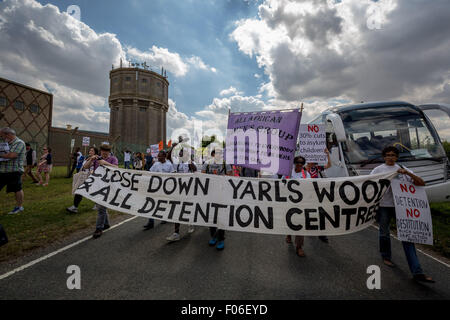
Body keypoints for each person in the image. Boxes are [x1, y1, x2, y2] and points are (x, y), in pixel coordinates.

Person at [371, 146, 434, 283]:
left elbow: (421, 183)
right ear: (384, 157)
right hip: (384, 207)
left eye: (393, 155)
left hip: (403, 208)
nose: (390, 157)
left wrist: (408, 174)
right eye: (387, 155)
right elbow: (370, 186)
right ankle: (386, 256)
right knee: (384, 232)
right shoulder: (378, 170)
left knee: (408, 236)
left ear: (397, 157)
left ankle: (417, 271)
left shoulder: (403, 169)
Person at [84, 144, 118, 239]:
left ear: (109, 152)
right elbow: (85, 167)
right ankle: (106, 224)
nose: (104, 154)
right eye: (103, 152)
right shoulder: (96, 158)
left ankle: (99, 228)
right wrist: (91, 159)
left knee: (101, 208)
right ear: (100, 151)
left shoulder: (113, 159)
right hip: (97, 185)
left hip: (107, 186)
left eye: (106, 153)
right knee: (101, 207)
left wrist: (105, 162)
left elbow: (116, 168)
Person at [202, 148, 232, 250]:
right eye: (216, 153)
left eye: (220, 153)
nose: (218, 155)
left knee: (221, 217)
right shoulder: (207, 163)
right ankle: (213, 236)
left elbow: (230, 177)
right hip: (210, 194)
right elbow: (202, 176)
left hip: (222, 195)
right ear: (213, 154)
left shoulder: (225, 164)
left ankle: (221, 239)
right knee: (211, 217)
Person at [166, 146, 197, 242]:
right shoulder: (176, 164)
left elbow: (195, 171)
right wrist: (173, 147)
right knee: (177, 210)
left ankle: (191, 221)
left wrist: (189, 161)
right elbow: (168, 158)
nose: (180, 155)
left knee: (188, 208)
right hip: (179, 190)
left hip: (189, 191)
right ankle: (176, 233)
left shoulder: (191, 163)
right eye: (179, 153)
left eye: (182, 153)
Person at [285, 156, 311, 257]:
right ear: (294, 163)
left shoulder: (306, 174)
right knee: (290, 220)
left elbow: (310, 187)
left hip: (301, 203)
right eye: (298, 162)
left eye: (301, 163)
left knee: (300, 223)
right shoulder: (288, 173)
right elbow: (282, 184)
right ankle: (288, 234)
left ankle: (299, 247)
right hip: (290, 201)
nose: (299, 164)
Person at [143, 150, 175, 230]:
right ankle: (151, 222)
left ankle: (165, 217)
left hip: (165, 188)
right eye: (158, 156)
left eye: (160, 156)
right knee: (151, 203)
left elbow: (173, 176)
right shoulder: (156, 164)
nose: (159, 157)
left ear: (164, 156)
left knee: (163, 203)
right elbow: (150, 173)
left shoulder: (169, 165)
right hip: (155, 187)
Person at [305, 148, 332, 243]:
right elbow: (306, 173)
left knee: (321, 212)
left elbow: (329, 165)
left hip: (317, 193)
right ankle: (310, 228)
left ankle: (321, 233)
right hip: (308, 193)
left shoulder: (317, 168)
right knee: (309, 212)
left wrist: (327, 154)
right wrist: (309, 164)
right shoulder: (304, 168)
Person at [0, 127, 26, 215]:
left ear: (8, 134)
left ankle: (19, 207)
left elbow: (12, 155)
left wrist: (2, 155)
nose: (2, 138)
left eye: (2, 136)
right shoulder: (6, 143)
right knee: (17, 188)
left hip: (14, 171)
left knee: (17, 189)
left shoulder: (19, 143)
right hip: (3, 170)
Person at [66, 147, 99, 214]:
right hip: (84, 176)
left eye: (92, 151)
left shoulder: (96, 159)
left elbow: (93, 167)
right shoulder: (87, 158)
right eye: (90, 150)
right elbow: (83, 166)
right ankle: (75, 207)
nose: (90, 151)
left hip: (91, 177)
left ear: (95, 152)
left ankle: (98, 205)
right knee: (79, 191)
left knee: (93, 192)